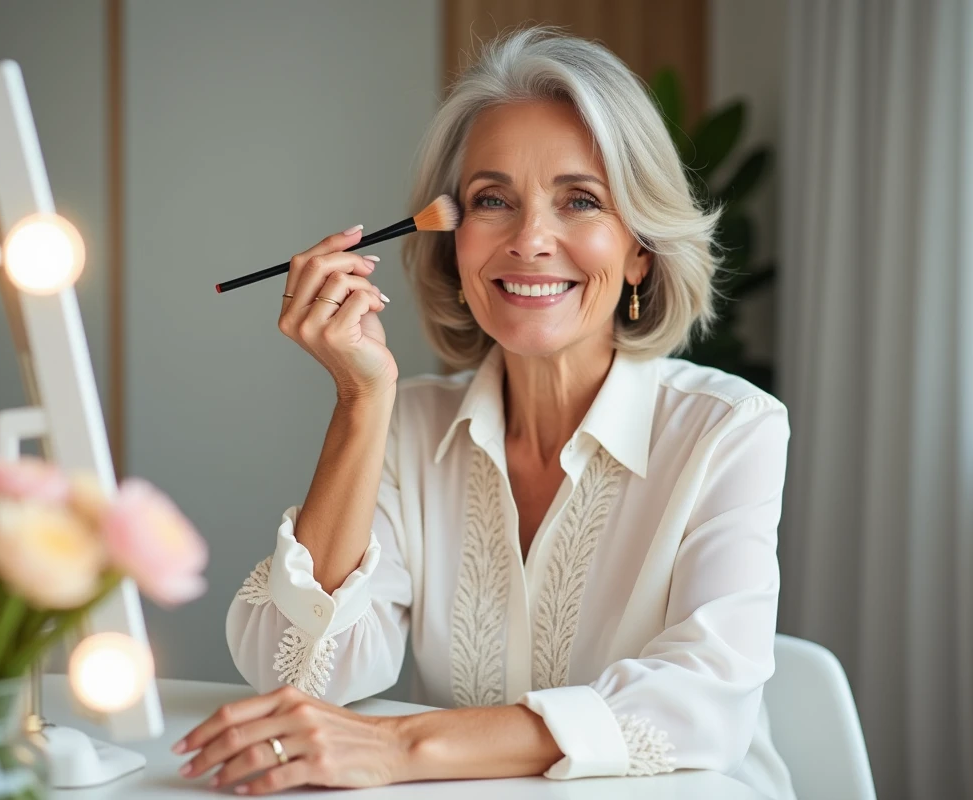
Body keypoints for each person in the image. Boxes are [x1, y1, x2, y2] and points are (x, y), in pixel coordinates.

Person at [175, 27, 796, 799]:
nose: (531, 239)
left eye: (580, 200)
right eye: (493, 200)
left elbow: (701, 704)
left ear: (640, 249)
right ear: (451, 243)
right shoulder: (407, 428)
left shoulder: (729, 431)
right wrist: (361, 400)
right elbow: (299, 672)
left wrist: (401, 745)